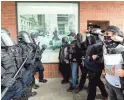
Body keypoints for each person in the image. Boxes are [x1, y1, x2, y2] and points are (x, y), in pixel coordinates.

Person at [84, 29, 108, 100]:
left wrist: (96, 58)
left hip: (95, 68)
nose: (90, 36)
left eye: (93, 35)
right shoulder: (91, 44)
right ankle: (105, 94)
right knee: (97, 81)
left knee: (92, 86)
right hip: (90, 67)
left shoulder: (100, 45)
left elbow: (102, 58)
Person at [103, 26, 124, 100]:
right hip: (109, 80)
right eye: (105, 34)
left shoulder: (122, 47)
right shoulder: (106, 47)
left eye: (108, 33)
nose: (105, 36)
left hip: (119, 85)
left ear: (116, 35)